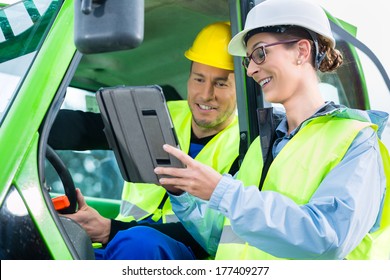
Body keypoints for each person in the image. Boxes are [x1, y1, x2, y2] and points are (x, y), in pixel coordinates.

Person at [153, 0, 390, 260]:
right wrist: (183, 194)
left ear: (301, 51)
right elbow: (221, 237)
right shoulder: (263, 145)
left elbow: (327, 237)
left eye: (260, 53)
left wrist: (222, 191)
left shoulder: (356, 141)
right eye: (248, 60)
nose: (252, 69)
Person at [58, 21, 241, 259]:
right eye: (198, 79)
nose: (206, 94)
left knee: (141, 242)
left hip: (181, 254)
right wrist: (35, 124)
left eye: (221, 83)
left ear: (243, 87)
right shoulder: (160, 113)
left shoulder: (248, 146)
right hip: (121, 243)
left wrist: (109, 229)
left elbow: (217, 237)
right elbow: (83, 129)